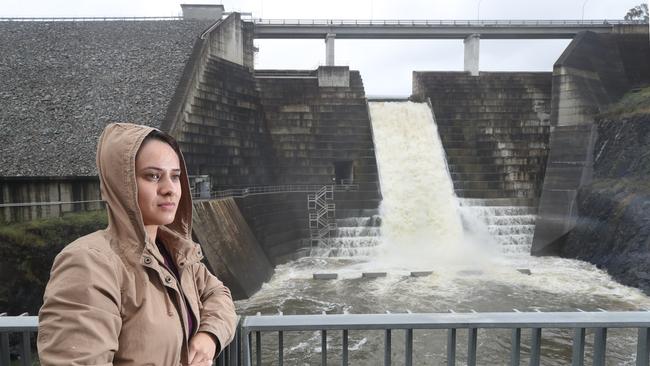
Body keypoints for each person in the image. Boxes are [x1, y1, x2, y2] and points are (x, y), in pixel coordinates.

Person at [37, 123, 237, 365]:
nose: (169, 189)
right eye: (153, 176)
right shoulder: (89, 263)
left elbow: (219, 294)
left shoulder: (176, 253)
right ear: (123, 185)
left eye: (175, 176)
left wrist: (209, 336)